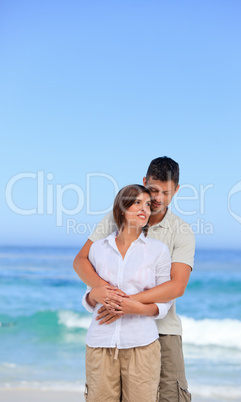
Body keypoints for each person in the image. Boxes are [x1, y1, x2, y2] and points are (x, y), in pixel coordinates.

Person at [74, 156, 195, 402]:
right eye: (153, 190)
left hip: (163, 329)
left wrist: (129, 304)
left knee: (171, 396)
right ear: (144, 182)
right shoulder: (119, 215)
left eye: (167, 192)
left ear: (177, 191)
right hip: (115, 331)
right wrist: (106, 294)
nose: (159, 199)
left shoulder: (181, 231)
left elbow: (177, 286)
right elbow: (81, 260)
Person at [83, 184, 172, 401]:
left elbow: (165, 299)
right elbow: (89, 294)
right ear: (121, 208)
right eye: (137, 203)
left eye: (148, 205)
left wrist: (136, 308)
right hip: (100, 344)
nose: (145, 209)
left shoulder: (158, 251)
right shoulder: (98, 249)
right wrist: (94, 295)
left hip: (141, 346)